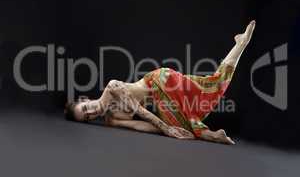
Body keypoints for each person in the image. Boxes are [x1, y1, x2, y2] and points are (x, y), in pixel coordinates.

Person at [64, 20, 256, 144]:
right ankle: (240, 44)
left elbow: (140, 112)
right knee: (204, 100)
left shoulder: (112, 87)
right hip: (162, 102)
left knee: (191, 117)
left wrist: (168, 129)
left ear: (85, 99)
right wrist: (167, 130)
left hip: (160, 82)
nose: (92, 113)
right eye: (88, 117)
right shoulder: (113, 118)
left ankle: (208, 134)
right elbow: (145, 126)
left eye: (86, 108)